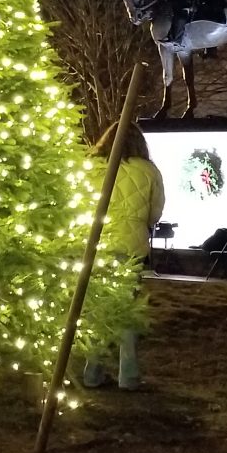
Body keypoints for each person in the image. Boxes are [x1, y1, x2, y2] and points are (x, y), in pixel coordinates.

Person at [83, 122, 165, 391]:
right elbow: (155, 213)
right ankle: (128, 376)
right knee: (126, 312)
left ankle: (92, 373)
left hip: (98, 246)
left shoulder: (93, 169)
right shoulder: (148, 171)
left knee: (98, 312)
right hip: (130, 248)